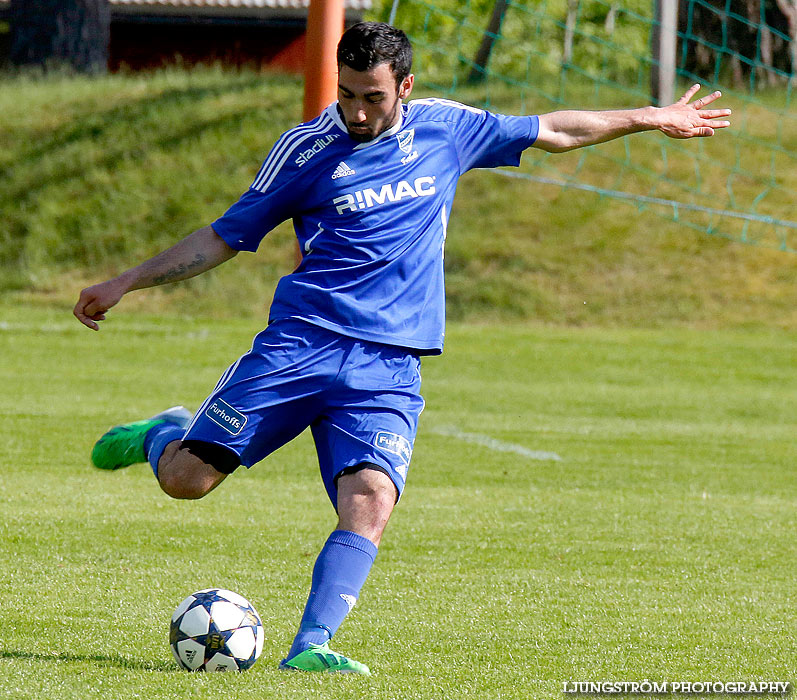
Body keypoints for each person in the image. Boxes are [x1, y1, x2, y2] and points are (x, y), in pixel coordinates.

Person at [73, 22, 730, 675]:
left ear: (405, 88)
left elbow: (554, 130)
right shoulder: (306, 150)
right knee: (187, 482)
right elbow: (221, 237)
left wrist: (649, 116)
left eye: (373, 98)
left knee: (371, 500)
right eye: (347, 94)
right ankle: (164, 433)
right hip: (300, 347)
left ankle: (311, 646)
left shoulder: (447, 128)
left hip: (389, 364)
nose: (356, 111)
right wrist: (127, 280)